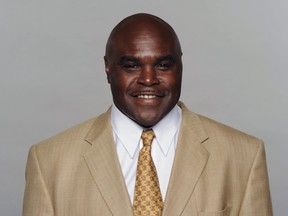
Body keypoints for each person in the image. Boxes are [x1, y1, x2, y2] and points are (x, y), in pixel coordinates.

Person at [23, 13, 273, 216]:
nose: (148, 79)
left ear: (181, 65)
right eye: (131, 66)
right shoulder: (48, 163)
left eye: (163, 65)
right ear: (107, 68)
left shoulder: (244, 156)